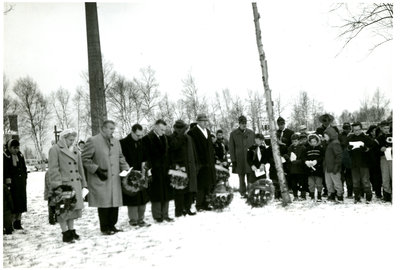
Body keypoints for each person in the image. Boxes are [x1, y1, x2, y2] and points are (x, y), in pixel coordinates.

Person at [82, 120, 130, 235]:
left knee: (114, 203)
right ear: (103, 128)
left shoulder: (116, 142)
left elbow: (120, 157)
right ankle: (105, 227)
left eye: (113, 129)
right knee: (104, 204)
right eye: (110, 128)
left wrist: (126, 169)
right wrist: (96, 169)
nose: (112, 131)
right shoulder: (93, 141)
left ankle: (112, 225)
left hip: (115, 179)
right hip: (101, 178)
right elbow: (84, 159)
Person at [48, 129, 88, 243]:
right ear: (64, 138)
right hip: (64, 185)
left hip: (75, 183)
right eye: (70, 140)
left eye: (73, 140)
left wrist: (84, 183)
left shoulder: (75, 150)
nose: (72, 142)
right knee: (63, 210)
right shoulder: (55, 150)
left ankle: (71, 230)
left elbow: (80, 168)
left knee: (73, 209)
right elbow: (53, 169)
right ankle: (65, 232)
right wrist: (58, 186)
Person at [142, 119, 174, 222]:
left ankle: (165, 214)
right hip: (154, 169)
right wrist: (149, 170)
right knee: (157, 193)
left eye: (164, 130)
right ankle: (157, 215)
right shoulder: (147, 139)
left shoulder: (165, 138)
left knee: (166, 192)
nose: (163, 132)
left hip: (165, 169)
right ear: (155, 126)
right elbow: (146, 156)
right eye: (161, 129)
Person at [119, 124, 150, 227]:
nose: (140, 137)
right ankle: (133, 220)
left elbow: (146, 157)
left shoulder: (142, 142)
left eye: (141, 135)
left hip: (142, 173)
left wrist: (146, 168)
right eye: (138, 135)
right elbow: (120, 159)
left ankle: (141, 219)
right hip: (129, 174)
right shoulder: (123, 143)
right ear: (132, 132)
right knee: (133, 197)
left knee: (143, 197)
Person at [168, 120, 197, 217]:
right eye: (182, 129)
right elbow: (174, 147)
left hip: (188, 166)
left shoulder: (188, 138)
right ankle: (179, 211)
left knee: (189, 189)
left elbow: (193, 151)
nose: (184, 130)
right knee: (179, 190)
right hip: (178, 168)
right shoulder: (172, 138)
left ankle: (187, 208)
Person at [187, 114, 217, 211]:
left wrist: (212, 160)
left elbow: (210, 147)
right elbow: (192, 149)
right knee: (200, 184)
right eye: (203, 121)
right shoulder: (192, 133)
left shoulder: (207, 131)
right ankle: (199, 205)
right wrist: (197, 162)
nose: (205, 122)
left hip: (209, 162)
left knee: (208, 184)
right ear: (198, 121)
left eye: (206, 121)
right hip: (200, 163)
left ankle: (206, 203)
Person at [3, 139, 28, 231]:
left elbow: (24, 167)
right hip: (12, 185)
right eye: (14, 148)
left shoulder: (20, 155)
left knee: (21, 203)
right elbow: (5, 171)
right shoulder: (5, 156)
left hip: (20, 183)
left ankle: (18, 222)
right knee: (13, 204)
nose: (16, 150)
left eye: (17, 148)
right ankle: (11, 222)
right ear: (9, 147)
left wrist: (25, 177)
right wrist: (8, 182)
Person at [229, 115, 255, 198]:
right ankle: (243, 192)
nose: (244, 125)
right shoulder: (233, 134)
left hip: (249, 159)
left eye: (245, 123)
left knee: (250, 176)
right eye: (242, 123)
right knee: (241, 176)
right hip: (239, 159)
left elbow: (254, 146)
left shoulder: (251, 133)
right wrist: (233, 160)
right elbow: (231, 148)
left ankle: (251, 192)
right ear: (239, 123)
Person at [347, 122, 373, 203]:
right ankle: (357, 196)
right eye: (355, 130)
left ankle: (368, 196)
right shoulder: (351, 138)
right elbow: (347, 151)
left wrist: (366, 149)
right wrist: (348, 148)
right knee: (355, 181)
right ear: (352, 130)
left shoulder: (366, 138)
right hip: (354, 163)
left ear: (361, 129)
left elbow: (372, 149)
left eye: (358, 130)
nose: (357, 132)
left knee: (365, 180)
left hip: (364, 163)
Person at [323, 127, 343, 202]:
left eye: (325, 136)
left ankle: (339, 195)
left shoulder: (335, 143)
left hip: (334, 167)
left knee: (337, 182)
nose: (324, 138)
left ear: (330, 135)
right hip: (328, 167)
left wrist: (336, 166)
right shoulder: (329, 143)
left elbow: (339, 156)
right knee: (329, 183)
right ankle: (331, 194)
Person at [303, 134, 324, 201]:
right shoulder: (307, 149)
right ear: (309, 142)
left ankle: (319, 196)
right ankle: (312, 196)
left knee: (319, 184)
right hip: (309, 169)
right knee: (311, 184)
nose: (313, 143)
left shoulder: (320, 148)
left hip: (318, 169)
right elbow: (304, 157)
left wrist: (317, 161)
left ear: (317, 141)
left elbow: (322, 157)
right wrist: (306, 161)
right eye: (311, 142)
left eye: (314, 141)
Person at [287, 134, 307, 200]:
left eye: (295, 141)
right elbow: (288, 156)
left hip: (301, 168)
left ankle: (303, 195)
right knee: (293, 183)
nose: (294, 143)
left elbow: (304, 159)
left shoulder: (303, 148)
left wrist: (298, 161)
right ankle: (295, 195)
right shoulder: (290, 148)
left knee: (302, 182)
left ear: (299, 141)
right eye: (293, 141)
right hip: (292, 169)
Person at [377, 120, 392, 202]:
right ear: (381, 128)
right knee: (385, 177)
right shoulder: (379, 138)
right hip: (383, 158)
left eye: (388, 128)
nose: (387, 130)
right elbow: (375, 150)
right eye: (385, 128)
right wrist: (380, 149)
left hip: (393, 158)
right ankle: (387, 195)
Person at [366, 125, 382, 198]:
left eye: (375, 130)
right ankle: (375, 190)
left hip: (378, 160)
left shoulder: (379, 138)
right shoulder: (368, 138)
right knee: (372, 177)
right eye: (373, 131)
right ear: (370, 131)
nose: (374, 132)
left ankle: (377, 192)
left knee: (377, 177)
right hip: (370, 160)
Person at [339, 123, 353, 198]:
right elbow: (339, 144)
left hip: (349, 158)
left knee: (349, 177)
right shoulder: (340, 136)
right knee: (341, 177)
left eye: (348, 129)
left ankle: (350, 193)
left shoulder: (352, 135)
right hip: (342, 158)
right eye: (345, 129)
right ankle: (341, 192)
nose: (347, 130)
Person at [44, 140, 57, 225]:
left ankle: (56, 217)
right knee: (52, 205)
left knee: (57, 204)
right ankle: (51, 218)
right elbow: (48, 182)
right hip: (51, 191)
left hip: (56, 190)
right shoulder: (49, 171)